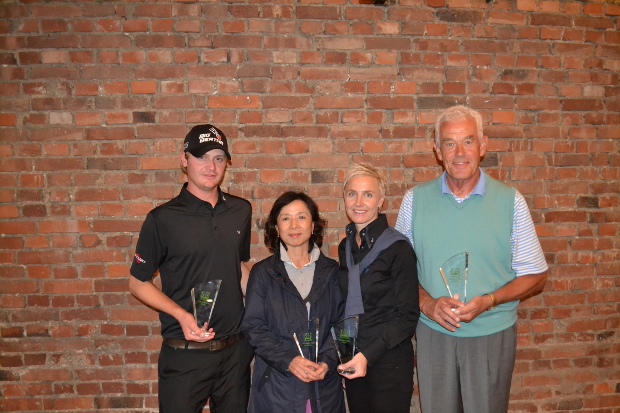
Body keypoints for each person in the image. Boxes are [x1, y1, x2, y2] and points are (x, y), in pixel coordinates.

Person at [395, 105, 549, 413]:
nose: (460, 152)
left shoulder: (510, 201)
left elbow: (536, 275)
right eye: (450, 143)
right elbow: (398, 274)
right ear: (438, 150)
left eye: (468, 140)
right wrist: (426, 303)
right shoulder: (415, 200)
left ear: (483, 145)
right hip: (434, 334)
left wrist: (489, 300)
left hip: (492, 334)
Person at [128, 124, 254, 413]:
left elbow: (238, 266)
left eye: (219, 158)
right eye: (201, 157)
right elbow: (138, 283)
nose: (211, 166)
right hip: (183, 356)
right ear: (184, 160)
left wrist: (269, 301)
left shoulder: (240, 210)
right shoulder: (162, 219)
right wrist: (181, 315)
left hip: (235, 352)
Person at [242, 191, 345, 413]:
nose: (294, 225)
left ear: (313, 225)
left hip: (323, 387)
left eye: (301, 216)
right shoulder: (262, 273)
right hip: (277, 388)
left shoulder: (333, 272)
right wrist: (289, 360)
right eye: (285, 218)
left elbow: (342, 325)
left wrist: (327, 361)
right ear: (276, 228)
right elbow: (253, 327)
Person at [337, 163, 419, 413]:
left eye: (368, 194)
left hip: (388, 363)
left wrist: (367, 356)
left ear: (381, 201)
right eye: (352, 193)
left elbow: (408, 317)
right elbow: (346, 307)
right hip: (355, 358)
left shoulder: (398, 248)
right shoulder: (346, 246)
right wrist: (346, 354)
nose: (359, 202)